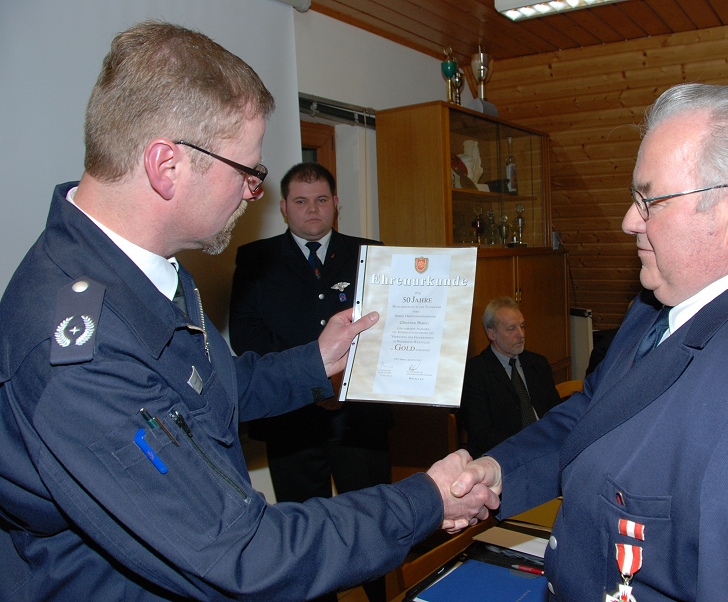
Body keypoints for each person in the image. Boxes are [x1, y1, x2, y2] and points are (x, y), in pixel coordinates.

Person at [0, 21, 496, 601]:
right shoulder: (76, 353)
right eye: (246, 172)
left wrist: (316, 360)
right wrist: (426, 500)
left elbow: (206, 387)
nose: (250, 192)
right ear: (166, 165)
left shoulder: (142, 267)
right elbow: (240, 553)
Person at [451, 83, 728, 599]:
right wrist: (499, 470)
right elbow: (595, 413)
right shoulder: (658, 305)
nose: (629, 221)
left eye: (651, 200)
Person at [229, 162, 392, 602]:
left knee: (373, 521)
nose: (312, 210)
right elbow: (248, 337)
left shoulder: (370, 253)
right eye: (301, 201)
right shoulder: (256, 259)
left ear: (336, 203)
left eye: (321, 200)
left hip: (359, 418)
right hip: (292, 423)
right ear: (284, 207)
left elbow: (386, 330)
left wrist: (341, 385)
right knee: (304, 533)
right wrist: (312, 382)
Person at [460, 297, 562, 458]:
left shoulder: (538, 363)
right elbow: (481, 433)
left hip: (545, 448)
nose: (521, 334)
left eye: (522, 326)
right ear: (492, 334)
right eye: (511, 328)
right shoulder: (476, 372)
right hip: (503, 455)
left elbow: (555, 411)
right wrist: (527, 445)